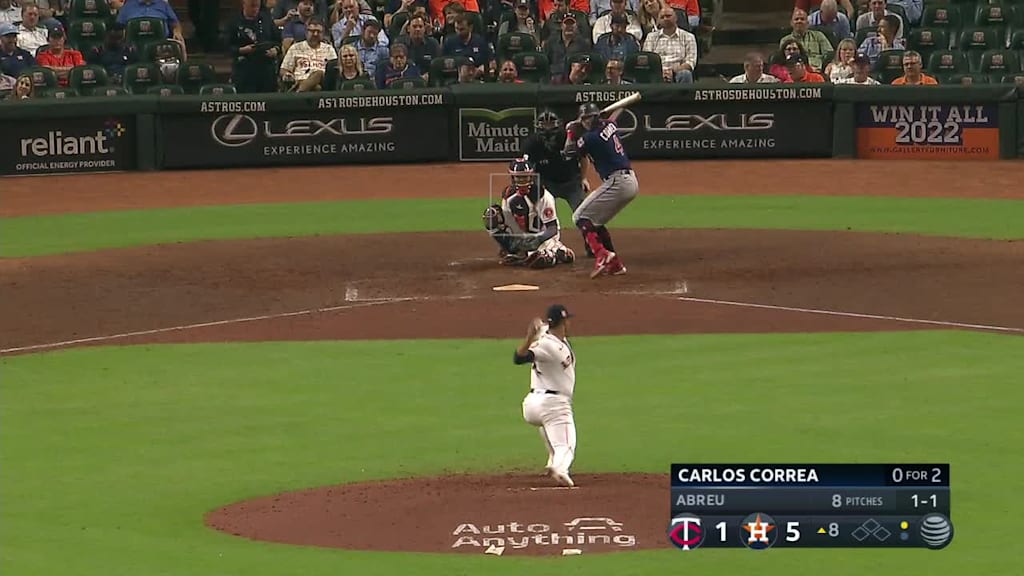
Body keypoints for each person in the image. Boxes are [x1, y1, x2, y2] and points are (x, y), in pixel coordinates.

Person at [563, 102, 637, 278]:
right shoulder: (610, 125)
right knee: (595, 219)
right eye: (585, 119)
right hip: (627, 181)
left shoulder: (590, 138)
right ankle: (615, 264)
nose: (587, 122)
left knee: (580, 217)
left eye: (590, 118)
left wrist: (570, 132)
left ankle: (602, 255)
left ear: (596, 117)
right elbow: (613, 117)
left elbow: (568, 152)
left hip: (617, 182)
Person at [515, 304, 578, 488]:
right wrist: (528, 339)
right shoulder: (546, 345)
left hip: (534, 404)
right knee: (566, 446)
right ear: (564, 322)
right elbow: (519, 358)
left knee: (550, 426)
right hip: (553, 404)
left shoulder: (547, 335)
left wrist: (535, 327)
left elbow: (539, 326)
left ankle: (552, 460)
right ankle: (560, 468)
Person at [482, 157, 576, 268]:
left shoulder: (542, 196)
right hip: (524, 235)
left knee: (541, 259)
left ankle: (557, 251)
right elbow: (508, 221)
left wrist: (537, 239)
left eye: (525, 177)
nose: (522, 181)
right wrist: (507, 244)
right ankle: (519, 252)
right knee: (491, 216)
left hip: (543, 236)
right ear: (512, 177)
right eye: (519, 178)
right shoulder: (508, 195)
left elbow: (552, 228)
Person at [522, 109, 592, 255]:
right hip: (547, 184)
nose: (547, 127)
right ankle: (543, 246)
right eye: (544, 124)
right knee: (540, 216)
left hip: (571, 182)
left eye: (550, 123)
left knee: (583, 215)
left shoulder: (568, 138)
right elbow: (526, 166)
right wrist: (534, 186)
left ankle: (592, 245)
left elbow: (584, 158)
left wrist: (584, 178)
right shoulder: (532, 143)